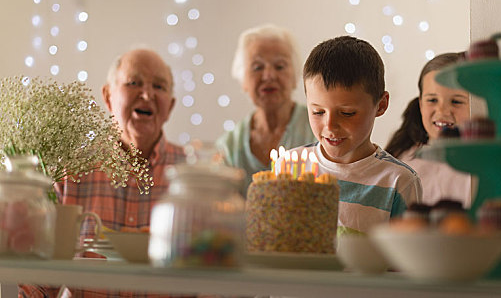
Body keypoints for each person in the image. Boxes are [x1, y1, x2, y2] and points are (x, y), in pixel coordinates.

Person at [19, 48, 191, 297]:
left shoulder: (193, 178)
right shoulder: (72, 169)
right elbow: (41, 279)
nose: (147, 94)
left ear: (170, 107)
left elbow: (213, 276)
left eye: (159, 87)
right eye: (134, 82)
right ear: (108, 96)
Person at [282, 35, 422, 235]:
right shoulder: (288, 167)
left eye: (347, 113)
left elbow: (409, 260)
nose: (330, 125)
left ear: (380, 105)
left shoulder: (399, 182)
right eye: (318, 112)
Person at [216, 24, 316, 194]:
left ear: (294, 77)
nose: (269, 75)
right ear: (243, 81)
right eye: (257, 67)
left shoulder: (319, 127)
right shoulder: (229, 147)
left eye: (280, 66)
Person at [385, 52, 475, 208]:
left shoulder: (481, 164)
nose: (442, 112)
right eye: (432, 100)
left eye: (456, 101)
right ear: (420, 104)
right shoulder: (402, 160)